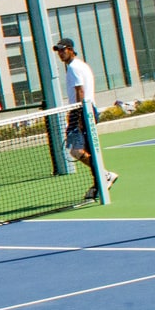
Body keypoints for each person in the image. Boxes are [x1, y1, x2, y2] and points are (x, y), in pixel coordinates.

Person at [52, 36, 117, 199]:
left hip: (82, 110)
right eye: (58, 51)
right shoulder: (81, 66)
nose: (60, 53)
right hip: (85, 110)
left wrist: (79, 115)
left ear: (71, 49)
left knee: (76, 150)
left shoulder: (74, 67)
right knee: (86, 150)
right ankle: (99, 182)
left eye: (63, 49)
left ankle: (104, 175)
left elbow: (80, 91)